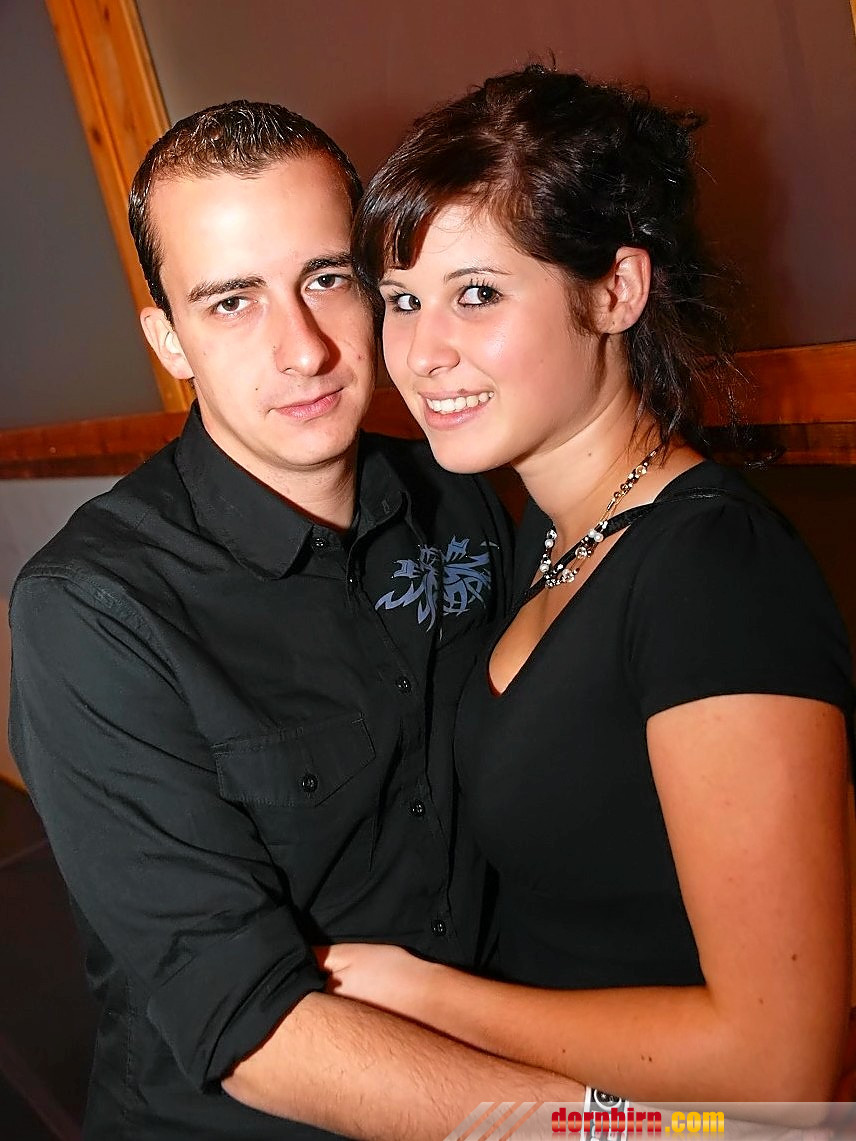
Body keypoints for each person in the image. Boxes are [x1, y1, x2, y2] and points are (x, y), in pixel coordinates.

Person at [8, 100, 586, 1141]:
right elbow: (250, 1025)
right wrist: (652, 1128)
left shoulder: (459, 492)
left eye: (326, 279)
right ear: (170, 341)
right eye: (232, 302)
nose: (304, 350)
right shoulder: (94, 611)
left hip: (496, 1054)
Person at [321, 66, 855, 1107]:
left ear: (616, 290)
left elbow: (776, 1061)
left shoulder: (713, 575)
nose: (422, 354)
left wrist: (425, 996)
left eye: (478, 293)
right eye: (403, 300)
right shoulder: (552, 527)